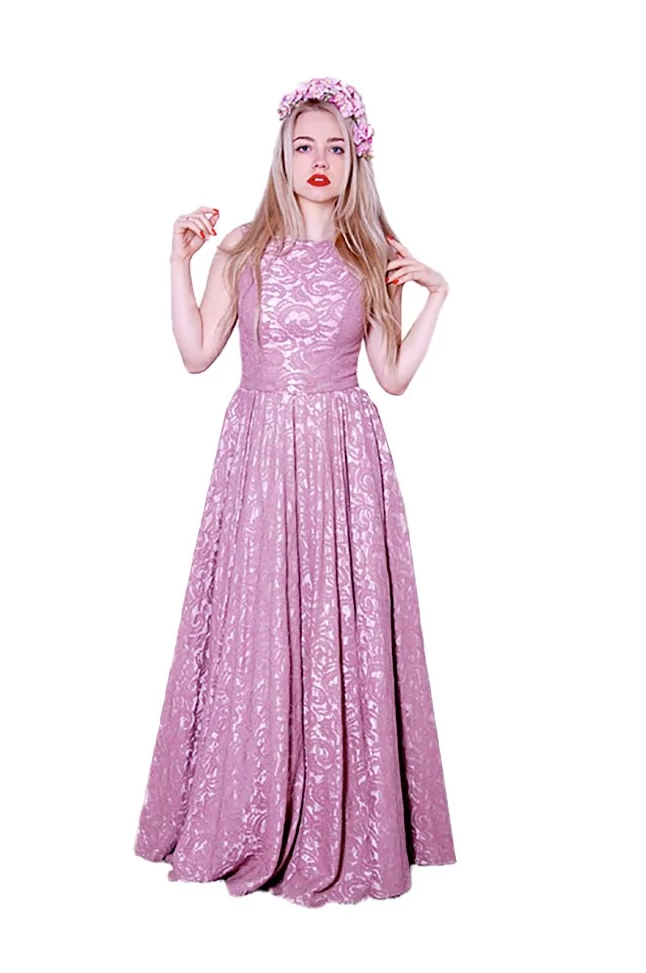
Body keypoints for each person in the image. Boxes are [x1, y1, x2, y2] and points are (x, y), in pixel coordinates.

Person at [134, 77, 456, 909]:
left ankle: (340, 822)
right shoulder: (244, 246)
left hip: (344, 456)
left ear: (356, 160)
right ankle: (249, 812)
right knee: (256, 624)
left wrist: (436, 297)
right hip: (260, 452)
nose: (320, 161)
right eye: (304, 145)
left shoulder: (372, 253)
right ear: (281, 153)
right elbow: (197, 353)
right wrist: (178, 261)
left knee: (339, 629)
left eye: (336, 148)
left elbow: (392, 376)